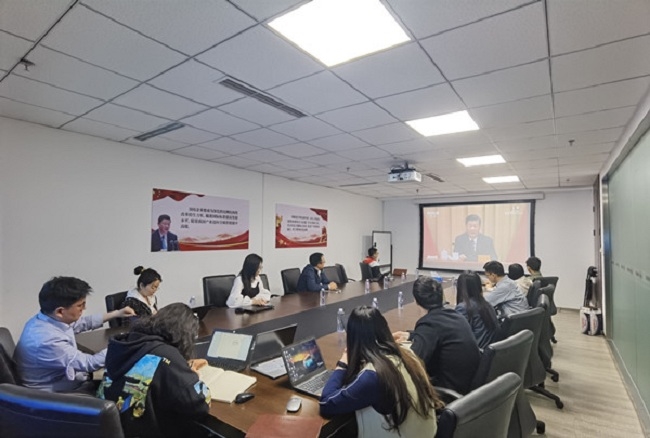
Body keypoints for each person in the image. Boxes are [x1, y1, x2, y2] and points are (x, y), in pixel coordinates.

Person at [320, 306, 442, 437]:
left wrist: (342, 364)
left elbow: (326, 404)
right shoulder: (407, 353)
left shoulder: (373, 376)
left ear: (353, 339)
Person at [97, 303, 211, 438]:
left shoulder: (127, 342)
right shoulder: (166, 354)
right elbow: (200, 404)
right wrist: (194, 376)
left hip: (114, 428)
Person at [14, 277, 135, 393]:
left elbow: (82, 323)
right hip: (52, 395)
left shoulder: (44, 319)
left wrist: (117, 313)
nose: (84, 308)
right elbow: (89, 363)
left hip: (67, 379)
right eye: (80, 305)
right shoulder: (47, 340)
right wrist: (122, 345)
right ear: (60, 311)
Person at [392, 277, 479, 395]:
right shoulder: (456, 315)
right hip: (467, 386)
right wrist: (411, 335)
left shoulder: (428, 323)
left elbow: (414, 363)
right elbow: (440, 334)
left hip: (447, 392)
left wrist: (393, 349)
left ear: (415, 300)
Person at [455, 272, 500, 349]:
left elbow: (458, 336)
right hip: (486, 350)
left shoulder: (463, 308)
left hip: (474, 352)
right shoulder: (487, 305)